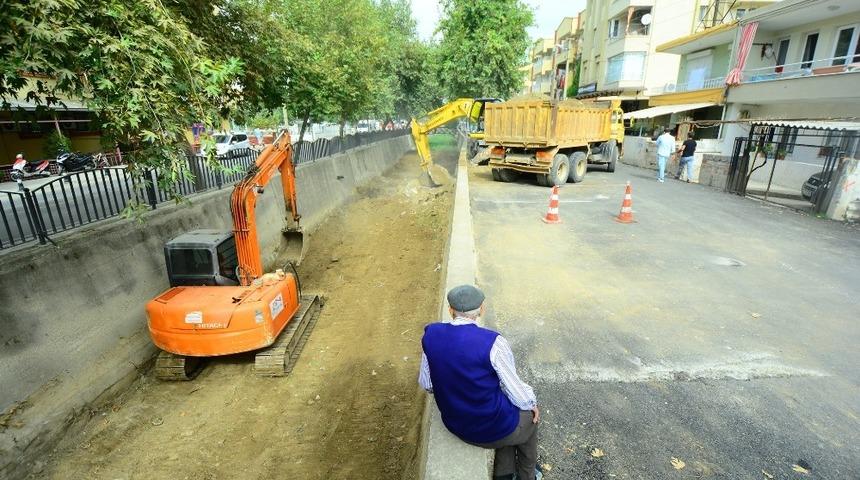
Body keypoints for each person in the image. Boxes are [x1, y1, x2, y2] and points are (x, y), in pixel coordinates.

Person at [419, 285, 541, 480]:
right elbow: (516, 390)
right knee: (529, 418)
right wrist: (531, 404)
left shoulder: (431, 334)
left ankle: (504, 474)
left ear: (450, 310)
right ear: (481, 310)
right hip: (489, 429)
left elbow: (427, 384)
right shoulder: (493, 342)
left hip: (455, 424)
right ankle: (528, 475)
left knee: (509, 415)